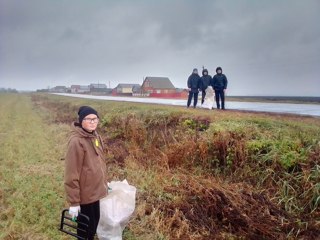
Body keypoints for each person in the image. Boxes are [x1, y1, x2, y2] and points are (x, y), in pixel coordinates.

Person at [64, 106, 107, 240]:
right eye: (88, 119)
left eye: (95, 119)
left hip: (95, 193)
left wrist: (104, 183)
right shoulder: (76, 142)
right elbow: (71, 174)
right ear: (81, 121)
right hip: (85, 195)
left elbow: (99, 164)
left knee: (94, 224)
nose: (92, 122)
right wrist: (74, 203)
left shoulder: (95, 136)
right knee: (85, 229)